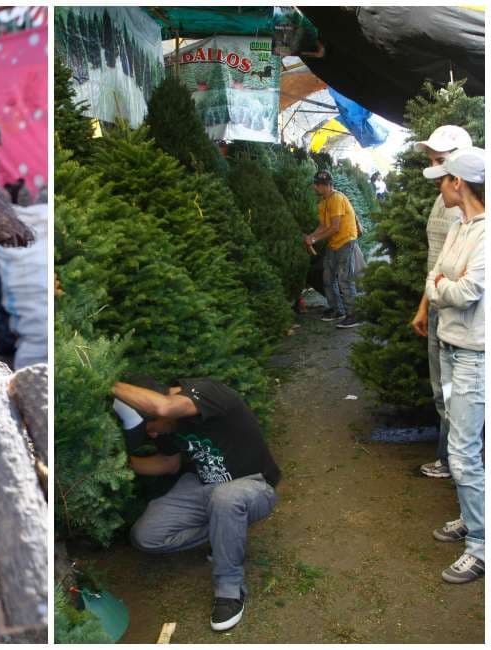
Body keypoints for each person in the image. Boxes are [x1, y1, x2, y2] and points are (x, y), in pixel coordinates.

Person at [112, 375, 281, 632]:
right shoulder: (166, 424)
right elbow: (168, 464)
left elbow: (164, 407)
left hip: (252, 485)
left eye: (150, 425)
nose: (152, 433)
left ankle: (230, 590)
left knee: (226, 498)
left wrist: (105, 382)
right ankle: (225, 533)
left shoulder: (208, 391)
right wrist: (113, 468)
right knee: (146, 536)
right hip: (200, 486)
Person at [422, 147, 485, 584]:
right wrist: (444, 285)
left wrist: (444, 287)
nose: (438, 186)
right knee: (465, 443)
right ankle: (470, 516)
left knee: (463, 454)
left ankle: (481, 547)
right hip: (449, 348)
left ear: (458, 183)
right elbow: (436, 278)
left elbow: (466, 291)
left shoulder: (485, 233)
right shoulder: (457, 226)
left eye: (442, 179)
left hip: (474, 358)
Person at [410, 125, 473, 479]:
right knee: (442, 393)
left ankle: (461, 466)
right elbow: (436, 259)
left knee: (456, 396)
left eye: (441, 160)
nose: (435, 169)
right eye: (432, 160)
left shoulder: (472, 213)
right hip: (437, 311)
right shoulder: (442, 197)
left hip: (460, 320)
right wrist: (424, 306)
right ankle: (450, 460)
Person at [304, 170, 361, 328]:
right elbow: (323, 225)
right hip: (334, 243)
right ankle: (337, 310)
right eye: (316, 184)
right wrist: (311, 236)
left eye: (318, 185)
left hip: (346, 241)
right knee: (328, 278)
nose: (315, 187)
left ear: (327, 186)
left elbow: (335, 227)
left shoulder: (336, 199)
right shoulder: (323, 202)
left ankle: (354, 314)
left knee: (344, 279)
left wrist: (314, 239)